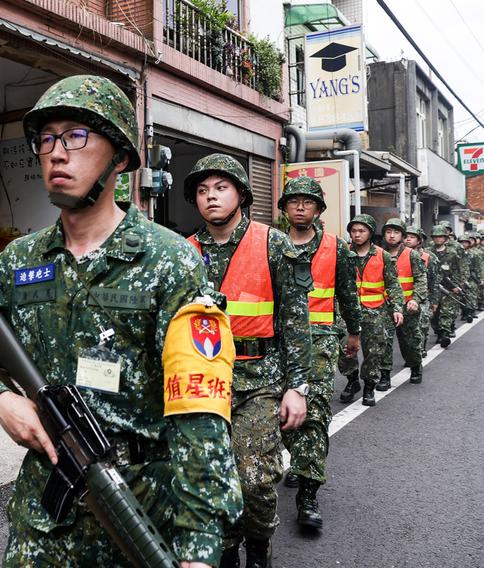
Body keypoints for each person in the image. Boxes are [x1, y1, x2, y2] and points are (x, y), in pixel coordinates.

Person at [0, 75, 242, 568]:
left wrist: (198, 546)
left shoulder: (168, 261)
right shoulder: (22, 259)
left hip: (138, 508)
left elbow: (199, 414)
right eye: (48, 139)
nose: (58, 153)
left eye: (77, 136)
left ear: (120, 159)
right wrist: (1, 401)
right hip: (43, 517)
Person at [184, 153, 312, 568]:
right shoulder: (183, 253)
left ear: (241, 194)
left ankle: (258, 546)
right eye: (203, 191)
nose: (211, 198)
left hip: (260, 380)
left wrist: (298, 386)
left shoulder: (273, 243)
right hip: (203, 385)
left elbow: (294, 318)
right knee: (210, 476)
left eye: (220, 188)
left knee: (256, 479)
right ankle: (224, 551)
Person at [276, 177, 361, 531]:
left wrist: (353, 332)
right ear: (283, 208)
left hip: (320, 341)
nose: (299, 206)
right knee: (278, 414)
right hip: (277, 342)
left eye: (307, 202)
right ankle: (298, 460)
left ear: (318, 210)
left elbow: (347, 293)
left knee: (314, 413)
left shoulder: (334, 247)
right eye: (293, 201)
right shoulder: (271, 245)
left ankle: (308, 495)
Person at [336, 214, 403, 406]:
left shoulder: (383, 256)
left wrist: (397, 308)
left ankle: (369, 386)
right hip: (347, 312)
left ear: (370, 233)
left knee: (373, 352)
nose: (356, 235)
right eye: (353, 231)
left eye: (361, 231)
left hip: (376, 312)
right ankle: (351, 380)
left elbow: (393, 285)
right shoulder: (343, 254)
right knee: (344, 348)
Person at [377, 218, 427, 385]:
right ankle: (384, 375)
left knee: (410, 341)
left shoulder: (411, 254)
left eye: (396, 232)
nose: (392, 236)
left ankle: (415, 366)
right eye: (388, 232)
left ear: (403, 236)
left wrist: (416, 300)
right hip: (385, 306)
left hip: (408, 306)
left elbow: (421, 279)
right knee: (384, 341)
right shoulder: (377, 253)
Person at [425, 225, 463, 348]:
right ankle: (438, 330)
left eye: (441, 236)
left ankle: (444, 333)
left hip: (448, 287)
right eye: (435, 237)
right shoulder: (427, 252)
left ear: (446, 238)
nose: (438, 239)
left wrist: (455, 285)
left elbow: (457, 271)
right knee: (434, 314)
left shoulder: (452, 253)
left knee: (446, 312)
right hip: (432, 288)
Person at [404, 226, 435, 358]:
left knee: (421, 325)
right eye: (406, 236)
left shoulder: (428, 257)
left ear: (419, 240)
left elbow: (433, 281)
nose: (408, 239)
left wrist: (434, 301)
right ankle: (411, 353)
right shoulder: (395, 256)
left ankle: (420, 348)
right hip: (404, 298)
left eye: (412, 237)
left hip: (422, 297)